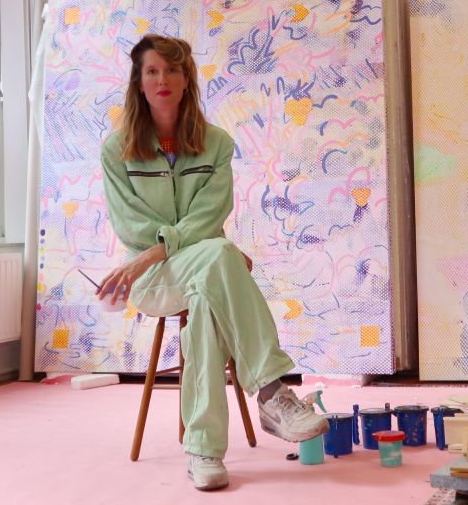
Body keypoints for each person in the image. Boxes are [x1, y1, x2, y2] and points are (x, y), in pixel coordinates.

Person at [98, 34, 328, 490]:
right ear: (139, 83)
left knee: (207, 294)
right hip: (152, 279)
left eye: (172, 70)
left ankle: (203, 451)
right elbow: (132, 227)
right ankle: (271, 391)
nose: (162, 79)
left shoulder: (216, 145)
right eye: (152, 71)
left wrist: (163, 247)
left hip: (190, 267)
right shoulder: (116, 150)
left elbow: (211, 215)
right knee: (221, 255)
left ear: (187, 80)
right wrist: (166, 251)